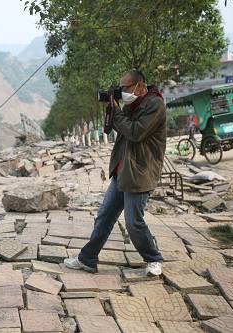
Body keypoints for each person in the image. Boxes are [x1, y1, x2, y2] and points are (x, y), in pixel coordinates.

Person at [64, 70, 166, 276]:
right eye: (120, 89)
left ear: (139, 85)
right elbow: (116, 127)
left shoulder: (155, 105)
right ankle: (88, 259)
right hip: (122, 170)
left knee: (133, 222)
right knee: (104, 216)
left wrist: (117, 111)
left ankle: (153, 259)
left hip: (140, 172)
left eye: (125, 88)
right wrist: (113, 107)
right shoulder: (132, 104)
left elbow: (135, 132)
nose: (122, 92)